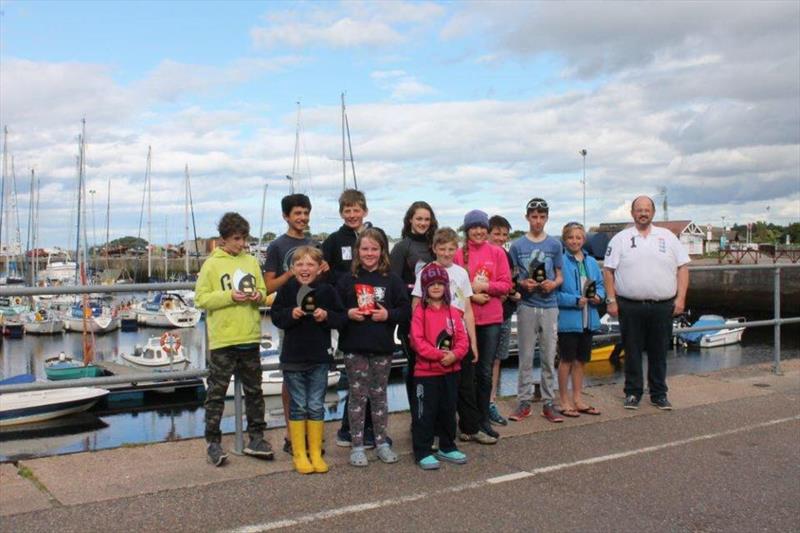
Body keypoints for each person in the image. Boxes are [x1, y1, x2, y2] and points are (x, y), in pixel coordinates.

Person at [195, 212, 272, 466]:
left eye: (244, 238)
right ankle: (213, 443)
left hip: (249, 335)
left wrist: (256, 297)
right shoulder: (211, 265)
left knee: (254, 391)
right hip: (223, 340)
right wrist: (230, 296)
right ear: (224, 239)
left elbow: (262, 292)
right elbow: (201, 299)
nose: (242, 244)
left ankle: (256, 438)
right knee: (216, 394)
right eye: (237, 239)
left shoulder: (250, 261)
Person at [603, 196, 690, 410]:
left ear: (653, 213)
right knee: (631, 351)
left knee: (659, 350)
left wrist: (681, 299)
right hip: (629, 305)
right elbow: (608, 271)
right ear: (632, 213)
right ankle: (633, 393)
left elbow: (683, 268)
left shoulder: (668, 237)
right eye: (639, 210)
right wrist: (611, 300)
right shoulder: (620, 239)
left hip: (662, 305)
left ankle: (659, 393)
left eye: (647, 209)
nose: (643, 213)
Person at [412, 227, 495, 445]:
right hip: (433, 335)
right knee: (437, 390)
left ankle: (470, 428)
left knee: (466, 386)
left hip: (459, 335)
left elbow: (467, 310)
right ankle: (436, 433)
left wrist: (473, 344)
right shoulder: (426, 273)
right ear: (434, 248)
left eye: (451, 248)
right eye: (442, 249)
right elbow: (416, 307)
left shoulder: (461, 273)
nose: (447, 253)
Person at [337, 228, 410, 467]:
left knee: (379, 397)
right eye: (365, 249)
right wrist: (348, 314)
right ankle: (357, 446)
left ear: (382, 251)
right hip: (354, 347)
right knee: (357, 398)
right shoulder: (348, 280)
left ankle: (381, 443)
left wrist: (388, 314)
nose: (369, 253)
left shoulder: (392, 280)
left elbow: (406, 310)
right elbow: (334, 314)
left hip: (382, 348)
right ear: (358, 251)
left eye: (374, 249)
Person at [271, 246, 347, 474]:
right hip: (293, 358)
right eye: (300, 265)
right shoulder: (286, 289)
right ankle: (299, 452)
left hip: (319, 358)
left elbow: (341, 318)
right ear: (293, 268)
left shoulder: (327, 290)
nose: (305, 269)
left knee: (315, 404)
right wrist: (289, 315)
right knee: (299, 405)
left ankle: (315, 453)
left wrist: (326, 316)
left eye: (310, 264)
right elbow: (275, 316)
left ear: (319, 268)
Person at [321, 189, 388, 449]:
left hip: (374, 316)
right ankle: (349, 429)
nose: (352, 215)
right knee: (356, 378)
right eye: (347, 210)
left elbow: (384, 268)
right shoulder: (334, 240)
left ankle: (372, 429)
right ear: (341, 213)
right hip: (349, 313)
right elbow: (325, 274)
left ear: (365, 211)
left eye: (356, 210)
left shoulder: (376, 235)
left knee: (375, 382)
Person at [263, 193, 327, 455]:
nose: (302, 217)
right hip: (290, 316)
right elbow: (268, 286)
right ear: (286, 216)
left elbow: (322, 281)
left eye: (306, 212)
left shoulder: (315, 244)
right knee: (291, 378)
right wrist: (291, 271)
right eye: (297, 213)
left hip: (315, 321)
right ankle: (292, 434)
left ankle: (312, 434)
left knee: (315, 379)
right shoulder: (277, 246)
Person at [455, 210, 512, 439]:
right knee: (467, 374)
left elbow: (505, 285)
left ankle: (483, 420)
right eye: (473, 227)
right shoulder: (459, 254)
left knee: (486, 372)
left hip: (491, 319)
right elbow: (455, 287)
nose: (478, 231)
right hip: (465, 319)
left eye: (481, 227)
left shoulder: (497, 252)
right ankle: (467, 422)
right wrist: (472, 294)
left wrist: (485, 287)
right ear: (467, 230)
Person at [508, 198, 564, 423]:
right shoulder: (517, 245)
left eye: (542, 217)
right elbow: (512, 275)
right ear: (527, 217)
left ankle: (549, 401)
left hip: (549, 305)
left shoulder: (554, 245)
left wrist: (554, 284)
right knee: (526, 355)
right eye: (534, 217)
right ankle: (524, 401)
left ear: (547, 218)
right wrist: (522, 283)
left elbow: (560, 274)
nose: (538, 221)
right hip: (527, 305)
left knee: (549, 356)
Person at [410, 264, 469, 470]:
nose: (436, 287)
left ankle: (447, 445)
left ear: (446, 286)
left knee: (448, 409)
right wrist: (438, 355)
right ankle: (422, 450)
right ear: (425, 288)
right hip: (426, 373)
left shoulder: (454, 312)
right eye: (431, 284)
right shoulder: (420, 312)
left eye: (440, 284)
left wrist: (454, 355)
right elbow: (417, 341)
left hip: (451, 371)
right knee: (425, 412)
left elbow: (463, 339)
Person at [390, 201, 437, 419]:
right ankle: (417, 416)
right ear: (410, 220)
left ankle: (434, 413)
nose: (423, 223)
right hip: (411, 317)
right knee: (416, 366)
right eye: (419, 218)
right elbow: (395, 283)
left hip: (436, 316)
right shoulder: (402, 247)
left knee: (435, 365)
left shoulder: (435, 247)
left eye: (427, 219)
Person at [556, 222, 605, 417]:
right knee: (566, 360)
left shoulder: (591, 262)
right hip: (569, 321)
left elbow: (600, 285)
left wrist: (598, 297)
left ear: (583, 240)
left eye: (578, 237)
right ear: (564, 240)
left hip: (588, 318)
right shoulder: (559, 261)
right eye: (570, 237)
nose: (574, 241)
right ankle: (563, 400)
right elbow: (555, 294)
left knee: (581, 361)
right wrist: (575, 300)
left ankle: (577, 398)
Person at [487, 215, 520, 426]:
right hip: (485, 315)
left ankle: (491, 402)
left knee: (497, 359)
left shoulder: (507, 256)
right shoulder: (481, 255)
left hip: (504, 313)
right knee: (481, 362)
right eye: (496, 233)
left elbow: (510, 284)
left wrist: (514, 294)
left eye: (504, 235)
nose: (500, 238)